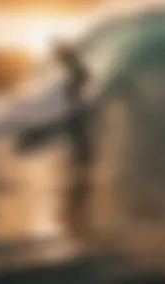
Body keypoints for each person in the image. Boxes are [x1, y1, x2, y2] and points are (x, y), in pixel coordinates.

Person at [51, 40, 94, 238]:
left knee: (81, 170)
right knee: (79, 170)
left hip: (81, 126)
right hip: (79, 126)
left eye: (59, 56)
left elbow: (83, 84)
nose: (57, 61)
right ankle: (78, 217)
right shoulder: (75, 71)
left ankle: (78, 218)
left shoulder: (77, 71)